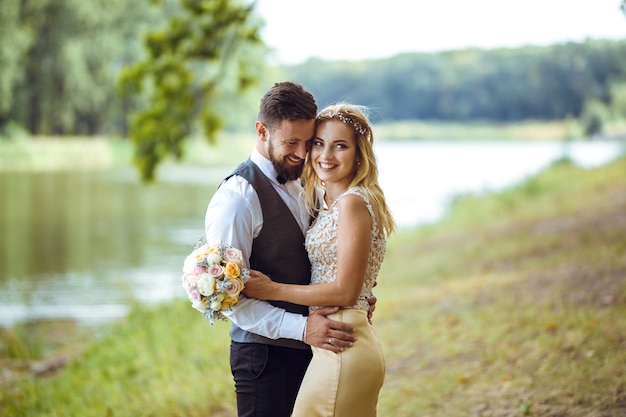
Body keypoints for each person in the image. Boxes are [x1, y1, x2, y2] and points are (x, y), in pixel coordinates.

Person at [204, 82, 373, 417]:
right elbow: (231, 299)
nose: (301, 152)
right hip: (264, 360)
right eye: (290, 143)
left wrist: (353, 295)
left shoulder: (307, 182)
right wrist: (304, 329)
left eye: (308, 142)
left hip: (317, 351)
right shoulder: (237, 198)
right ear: (262, 131)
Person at [243, 103, 396, 417]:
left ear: (358, 154)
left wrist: (271, 290)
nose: (326, 155)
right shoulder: (327, 200)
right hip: (336, 342)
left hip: (343, 344)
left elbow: (345, 293)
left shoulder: (353, 202)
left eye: (340, 146)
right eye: (318, 144)